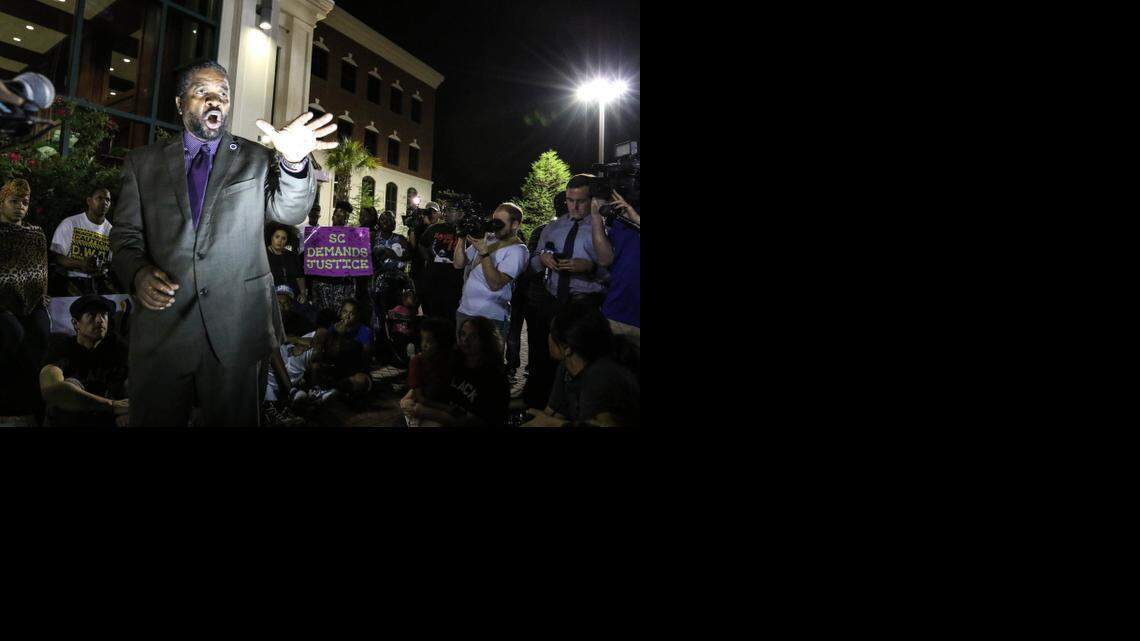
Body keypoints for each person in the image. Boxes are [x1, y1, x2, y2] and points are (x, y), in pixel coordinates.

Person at [109, 60, 334, 426]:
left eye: (223, 95)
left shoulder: (257, 159)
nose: (215, 101)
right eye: (203, 92)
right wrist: (137, 274)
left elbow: (290, 210)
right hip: (163, 332)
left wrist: (293, 162)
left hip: (237, 329)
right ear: (181, 103)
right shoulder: (142, 163)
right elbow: (125, 236)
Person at [523, 175, 610, 408]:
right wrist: (542, 259)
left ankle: (577, 409)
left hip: (586, 305)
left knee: (581, 363)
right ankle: (540, 405)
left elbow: (615, 273)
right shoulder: (553, 227)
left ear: (591, 199)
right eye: (570, 200)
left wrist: (590, 268)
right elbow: (531, 264)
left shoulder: (604, 227)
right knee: (545, 359)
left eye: (580, 201)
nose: (574, 206)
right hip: (553, 302)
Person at [523, 302, 639, 428]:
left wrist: (553, 423)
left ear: (567, 348)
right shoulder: (566, 367)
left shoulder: (601, 376)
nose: (548, 337)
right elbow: (553, 412)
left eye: (551, 332)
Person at [0, 179, 50, 426]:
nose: (20, 206)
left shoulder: (35, 235)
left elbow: (41, 270)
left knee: (41, 334)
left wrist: (41, 298)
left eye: (24, 202)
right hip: (1, 303)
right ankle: (6, 403)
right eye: (14, 201)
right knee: (14, 334)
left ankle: (31, 402)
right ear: (2, 203)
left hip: (32, 302)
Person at [38, 294, 130, 427]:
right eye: (91, 315)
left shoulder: (117, 346)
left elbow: (140, 384)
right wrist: (111, 405)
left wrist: (128, 412)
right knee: (70, 385)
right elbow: (51, 390)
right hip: (72, 419)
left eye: (104, 314)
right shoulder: (62, 346)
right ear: (76, 323)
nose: (100, 320)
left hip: (106, 420)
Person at [401, 316, 509, 427]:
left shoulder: (494, 377)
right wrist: (408, 398)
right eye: (463, 334)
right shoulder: (456, 358)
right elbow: (428, 383)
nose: (465, 340)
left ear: (486, 340)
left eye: (473, 336)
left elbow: (478, 421)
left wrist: (427, 412)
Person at [452, 202, 529, 344]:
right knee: (462, 361)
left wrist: (484, 252)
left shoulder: (518, 250)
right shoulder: (488, 239)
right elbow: (458, 263)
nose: (495, 226)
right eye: (494, 220)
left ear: (515, 225)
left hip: (490, 317)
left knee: (488, 363)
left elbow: (495, 284)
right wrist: (461, 238)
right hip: (465, 311)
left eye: (500, 222)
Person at [592, 190, 640, 348]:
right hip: (616, 313)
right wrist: (596, 216)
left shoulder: (633, 215)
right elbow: (605, 259)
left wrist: (638, 221)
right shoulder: (623, 215)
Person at [50, 186, 117, 295]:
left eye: (108, 200)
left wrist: (101, 265)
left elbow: (111, 262)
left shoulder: (111, 231)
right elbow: (56, 257)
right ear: (89, 201)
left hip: (100, 283)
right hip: (73, 280)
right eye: (99, 198)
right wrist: (80, 264)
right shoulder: (70, 223)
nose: (104, 202)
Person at [399, 317, 455, 427]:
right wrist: (446, 409)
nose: (423, 345)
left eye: (429, 342)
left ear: (441, 344)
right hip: (422, 407)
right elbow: (420, 398)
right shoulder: (417, 362)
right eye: (422, 340)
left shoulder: (449, 360)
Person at [307, 200, 359, 314]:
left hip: (342, 284)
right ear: (332, 217)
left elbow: (358, 258)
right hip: (323, 283)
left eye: (343, 216)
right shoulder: (319, 234)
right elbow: (311, 256)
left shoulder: (353, 236)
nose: (339, 218)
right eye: (337, 215)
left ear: (347, 219)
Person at [418, 204, 462, 320]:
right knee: (432, 315)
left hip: (454, 282)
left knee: (450, 316)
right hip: (433, 280)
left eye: (450, 211)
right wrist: (428, 259)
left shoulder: (464, 231)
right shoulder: (434, 228)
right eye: (445, 211)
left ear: (460, 214)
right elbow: (422, 244)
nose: (446, 214)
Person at [266, 223, 307, 302]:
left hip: (292, 297)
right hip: (271, 299)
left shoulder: (292, 255)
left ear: (287, 241)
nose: (280, 240)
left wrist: (303, 293)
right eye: (277, 237)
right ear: (271, 237)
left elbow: (300, 276)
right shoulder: (263, 256)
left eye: (283, 238)